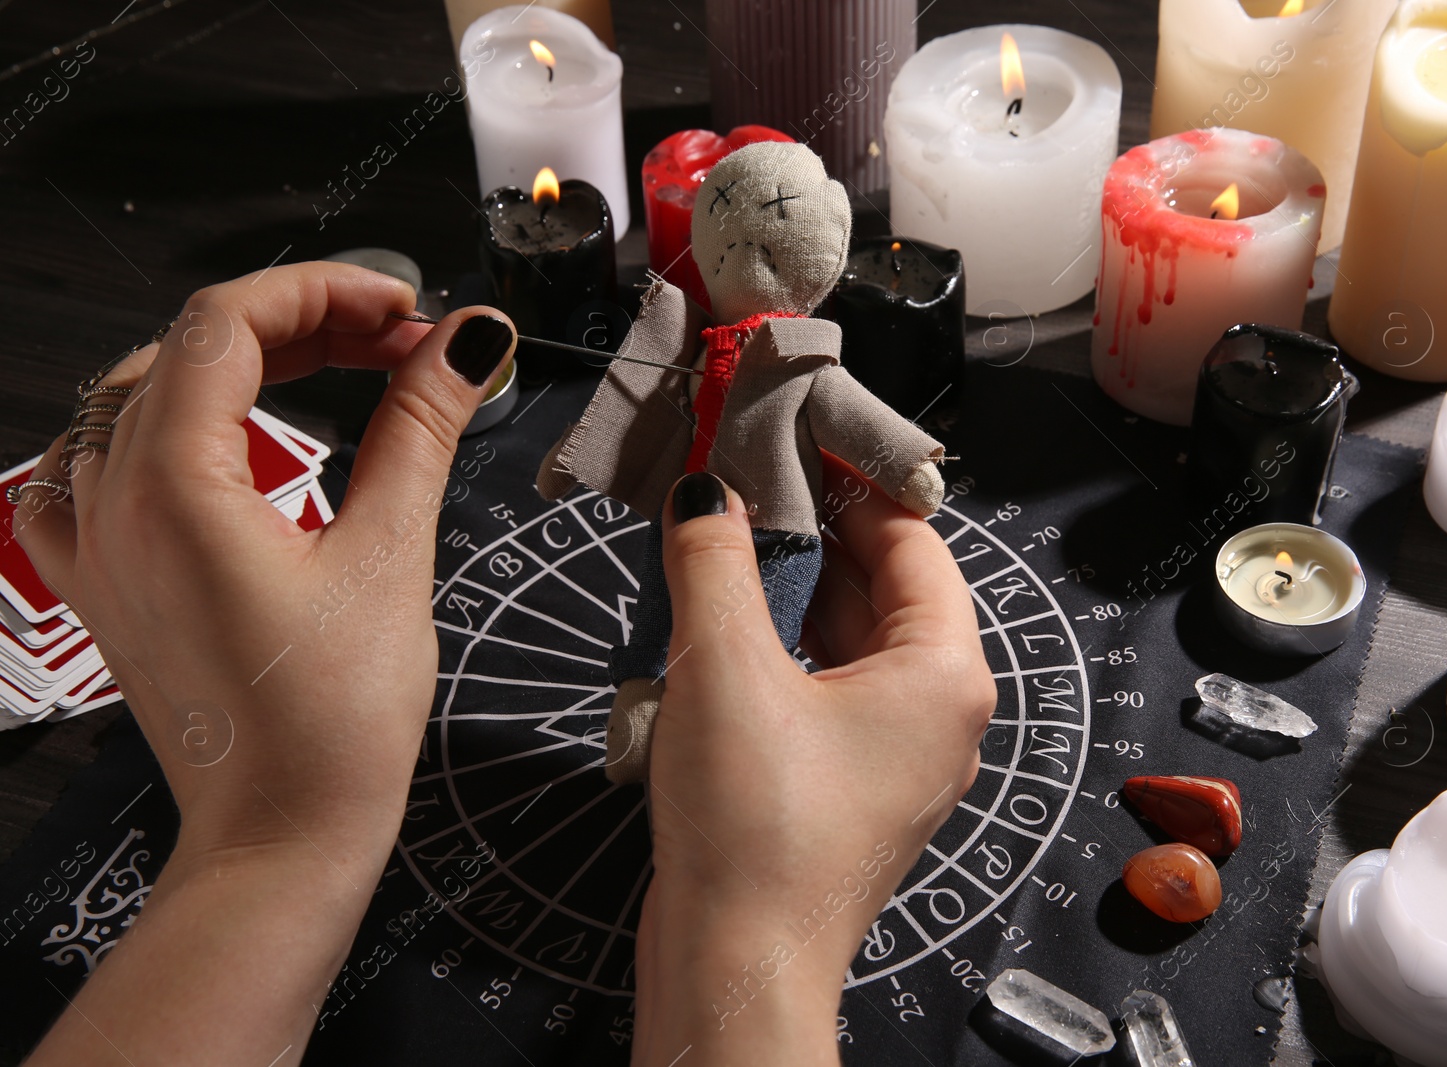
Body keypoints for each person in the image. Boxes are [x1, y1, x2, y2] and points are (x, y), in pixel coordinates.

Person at [14, 263, 995, 1066]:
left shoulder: (803, 349)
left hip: (775, 529)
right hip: (698, 512)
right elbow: (636, 389)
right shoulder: (686, 329)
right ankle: (653, 714)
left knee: (745, 622)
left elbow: (861, 418)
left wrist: (271, 835)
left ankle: (695, 706)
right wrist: (755, 945)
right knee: (667, 621)